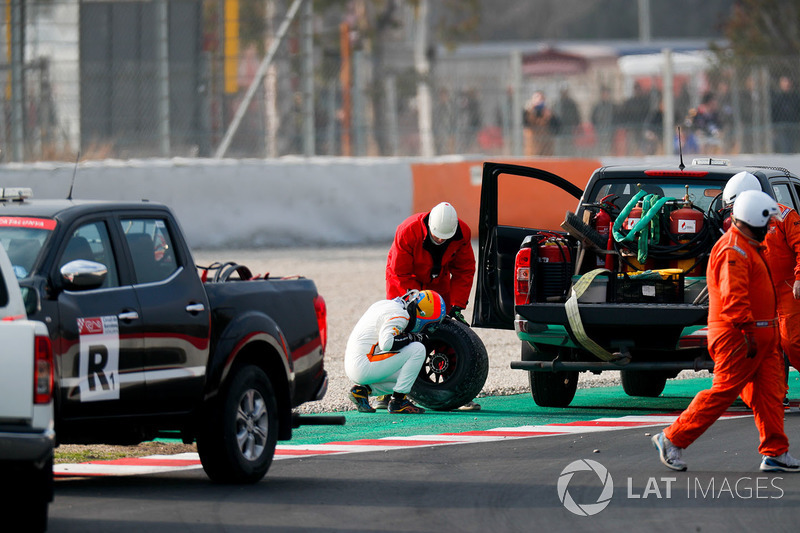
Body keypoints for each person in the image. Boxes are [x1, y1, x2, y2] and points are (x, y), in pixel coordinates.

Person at [653, 190, 800, 473]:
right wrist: (749, 334)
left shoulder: (747, 246)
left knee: (769, 394)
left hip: (759, 338)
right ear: (755, 220)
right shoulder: (734, 250)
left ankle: (775, 452)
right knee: (723, 392)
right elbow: (734, 299)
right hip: (740, 338)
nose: (770, 229)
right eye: (768, 224)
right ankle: (671, 438)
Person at [380, 201, 480, 411]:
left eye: (446, 237)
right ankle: (385, 391)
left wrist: (456, 304)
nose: (441, 240)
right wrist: (417, 306)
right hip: (404, 281)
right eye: (437, 237)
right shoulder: (408, 230)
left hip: (437, 280)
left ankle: (455, 392)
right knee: (400, 329)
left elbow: (464, 270)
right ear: (429, 227)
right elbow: (401, 273)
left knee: (442, 328)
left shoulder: (462, 233)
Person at [722, 171, 800, 405]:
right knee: (769, 345)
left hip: (787, 290)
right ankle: (776, 394)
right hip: (760, 294)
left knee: (791, 342)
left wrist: (799, 278)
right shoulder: (736, 225)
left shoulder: (785, 216)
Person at [345, 289, 445, 414]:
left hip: (355, 364)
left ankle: (362, 391)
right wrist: (413, 337)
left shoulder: (385, 304)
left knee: (407, 378)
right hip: (364, 364)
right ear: (422, 314)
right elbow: (387, 343)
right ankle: (398, 402)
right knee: (418, 349)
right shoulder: (401, 315)